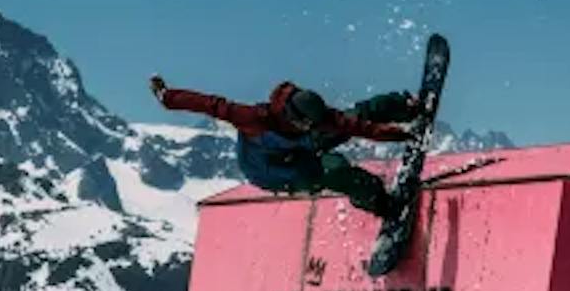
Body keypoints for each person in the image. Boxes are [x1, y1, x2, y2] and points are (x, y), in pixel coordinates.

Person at [148, 72, 427, 218]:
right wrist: (167, 96)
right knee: (336, 170)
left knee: (360, 113)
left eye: (314, 124)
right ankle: (380, 202)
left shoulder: (318, 118)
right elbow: (209, 104)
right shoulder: (254, 119)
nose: (312, 127)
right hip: (273, 171)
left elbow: (358, 126)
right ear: (292, 116)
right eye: (307, 125)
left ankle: (406, 107)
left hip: (300, 148)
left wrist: (402, 135)